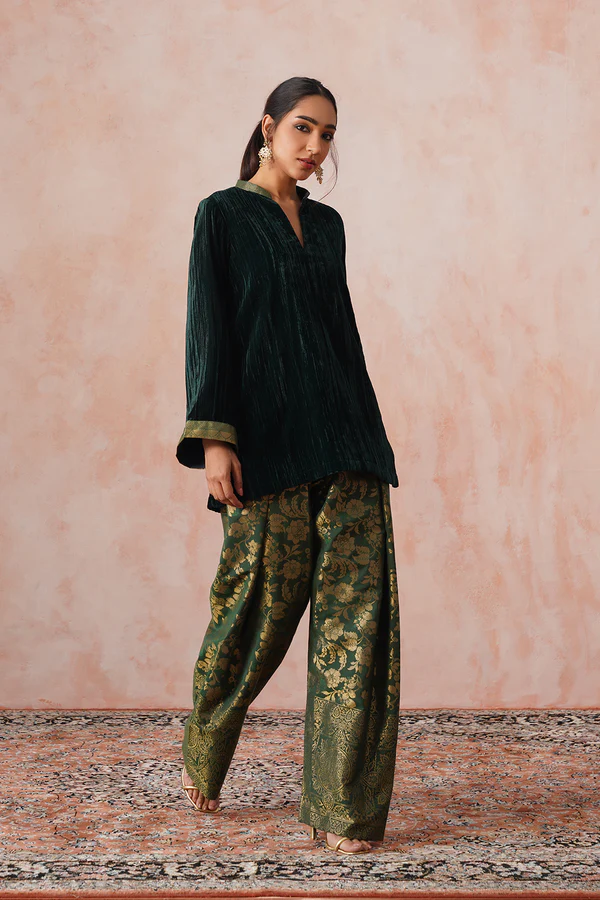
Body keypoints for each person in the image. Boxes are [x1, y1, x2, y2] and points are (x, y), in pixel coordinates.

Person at [177, 76, 401, 855]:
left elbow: (342, 334)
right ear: (268, 127)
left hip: (348, 443)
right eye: (304, 128)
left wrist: (372, 439)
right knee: (252, 613)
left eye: (328, 134)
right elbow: (210, 325)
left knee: (357, 633)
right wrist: (216, 438)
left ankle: (342, 809)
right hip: (268, 447)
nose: (315, 146)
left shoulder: (329, 226)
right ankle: (206, 744)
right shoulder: (222, 215)